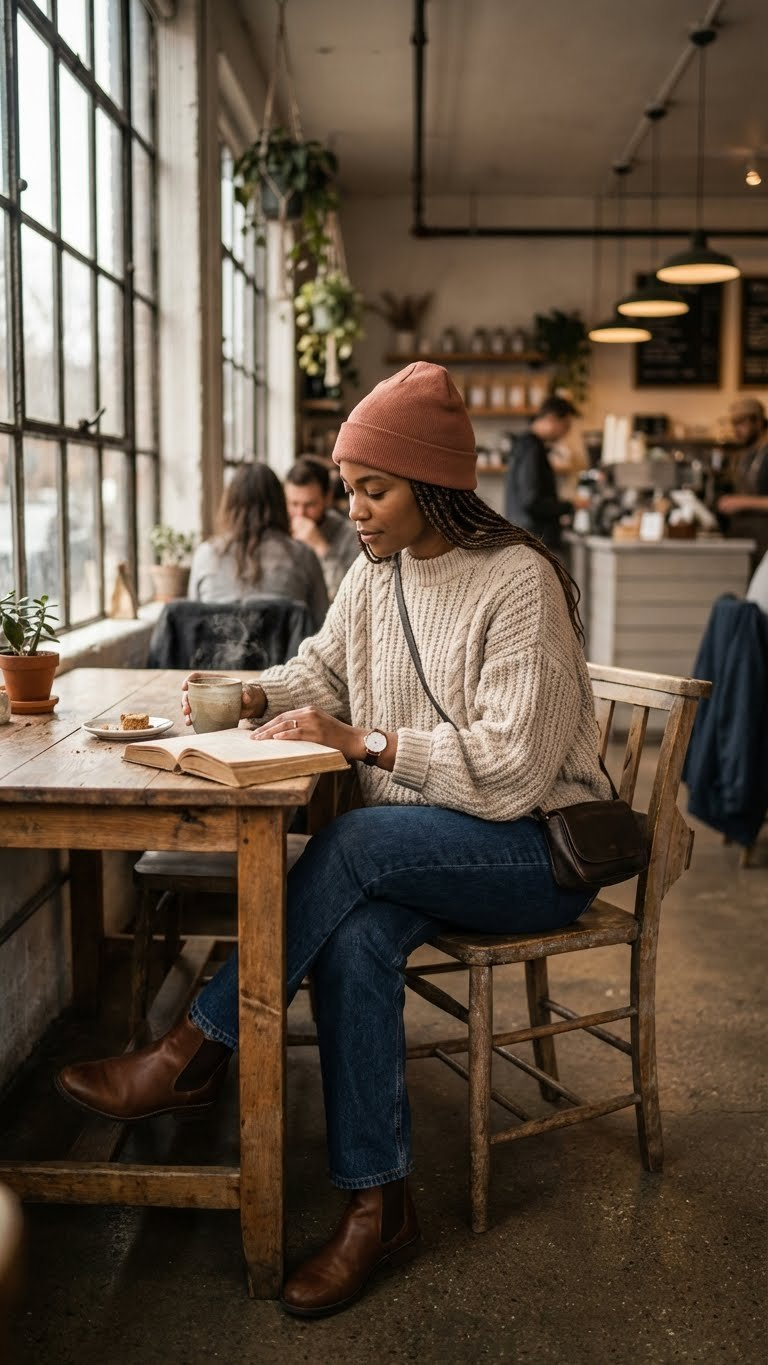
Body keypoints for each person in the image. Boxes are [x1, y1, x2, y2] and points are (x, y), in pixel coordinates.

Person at [57, 363, 611, 1319]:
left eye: (373, 488)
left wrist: (365, 742)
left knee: (346, 850)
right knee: (353, 935)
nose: (353, 508)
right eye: (348, 488)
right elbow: (323, 668)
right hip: (426, 842)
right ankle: (376, 1203)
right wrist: (247, 697)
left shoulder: (518, 583)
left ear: (433, 482)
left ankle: (194, 1047)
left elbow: (516, 768)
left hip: (531, 852)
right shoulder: (374, 573)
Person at [187, 462, 328, 632]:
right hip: (287, 659)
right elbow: (323, 629)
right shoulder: (303, 556)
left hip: (218, 657)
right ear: (280, 503)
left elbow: (193, 628)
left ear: (229, 504)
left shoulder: (205, 555)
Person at [504, 395, 576, 553]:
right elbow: (531, 501)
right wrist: (569, 505)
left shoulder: (525, 445)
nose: (566, 432)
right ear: (551, 419)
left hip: (527, 537)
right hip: (535, 539)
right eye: (565, 426)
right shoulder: (532, 448)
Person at [285, 455, 361, 599]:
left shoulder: (350, 536)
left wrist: (320, 547)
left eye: (310, 505)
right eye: (294, 504)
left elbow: (345, 597)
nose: (300, 514)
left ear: (328, 498)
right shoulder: (280, 531)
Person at [717, 397, 768, 569]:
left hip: (764, 545)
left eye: (741, 423)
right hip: (743, 541)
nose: (735, 430)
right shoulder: (744, 455)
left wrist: (742, 502)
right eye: (733, 424)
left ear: (758, 422)